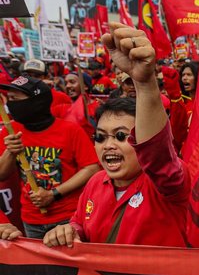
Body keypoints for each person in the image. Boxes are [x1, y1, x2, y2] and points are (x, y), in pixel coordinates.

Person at [43, 23, 190, 248]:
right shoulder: (94, 183)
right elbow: (80, 224)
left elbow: (157, 153)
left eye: (121, 136)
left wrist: (145, 84)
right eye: (100, 137)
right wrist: (70, 231)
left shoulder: (166, 182)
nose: (108, 145)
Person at [0, 76, 100, 239]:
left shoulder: (70, 130)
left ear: (37, 101)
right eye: (9, 99)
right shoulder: (11, 131)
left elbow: (91, 168)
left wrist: (53, 194)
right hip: (31, 219)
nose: (11, 104)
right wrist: (10, 152)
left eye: (15, 99)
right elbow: (2, 174)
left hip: (68, 217)